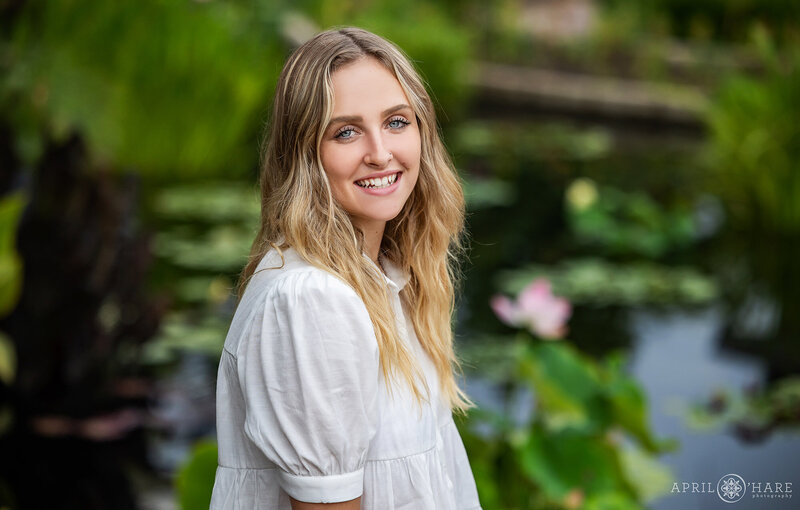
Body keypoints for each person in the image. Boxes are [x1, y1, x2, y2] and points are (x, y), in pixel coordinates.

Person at [210, 26, 482, 510]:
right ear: (304, 153)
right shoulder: (312, 300)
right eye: (347, 132)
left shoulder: (390, 278)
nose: (380, 152)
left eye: (397, 122)